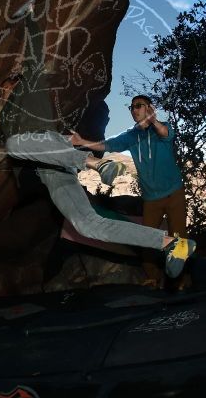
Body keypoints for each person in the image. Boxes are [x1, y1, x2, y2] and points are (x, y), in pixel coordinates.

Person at [0, 0, 196, 278]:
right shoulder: (8, 115)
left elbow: (36, 54)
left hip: (53, 145)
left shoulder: (32, 88)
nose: (8, 86)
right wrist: (0, 103)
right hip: (52, 172)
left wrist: (30, 15)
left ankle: (96, 165)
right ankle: (171, 244)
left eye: (10, 83)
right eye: (5, 87)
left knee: (15, 145)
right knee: (86, 225)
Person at [70, 95, 191, 282]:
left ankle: (182, 281)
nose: (134, 110)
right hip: (151, 198)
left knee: (180, 240)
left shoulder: (162, 127)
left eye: (138, 106)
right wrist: (81, 142)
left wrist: (154, 121)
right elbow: (107, 145)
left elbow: (165, 133)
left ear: (149, 108)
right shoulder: (131, 135)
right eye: (131, 107)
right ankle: (154, 280)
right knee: (147, 242)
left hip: (174, 192)